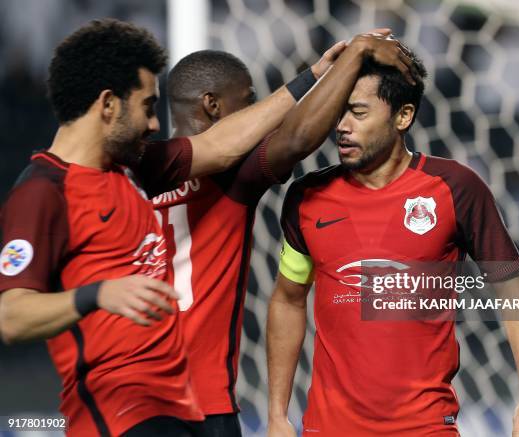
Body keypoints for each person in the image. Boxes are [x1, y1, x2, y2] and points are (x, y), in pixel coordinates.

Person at [0, 18, 343, 437]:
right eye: (146, 106)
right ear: (108, 104)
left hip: (178, 405)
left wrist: (313, 76)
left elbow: (219, 145)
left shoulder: (136, 170)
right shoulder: (42, 192)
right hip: (117, 414)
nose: (154, 124)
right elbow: (9, 315)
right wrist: (98, 294)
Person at [266, 56, 519, 436]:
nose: (342, 127)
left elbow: (510, 286)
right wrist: (276, 414)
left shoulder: (456, 188)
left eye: (358, 112)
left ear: (403, 116)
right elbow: (288, 298)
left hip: (424, 426)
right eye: (339, 113)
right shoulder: (306, 197)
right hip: (328, 427)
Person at [155, 30, 415, 437]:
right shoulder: (230, 176)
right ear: (213, 106)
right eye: (249, 101)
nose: (259, 112)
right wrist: (356, 52)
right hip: (199, 404)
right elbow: (296, 137)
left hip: (121, 402)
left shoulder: (127, 172)